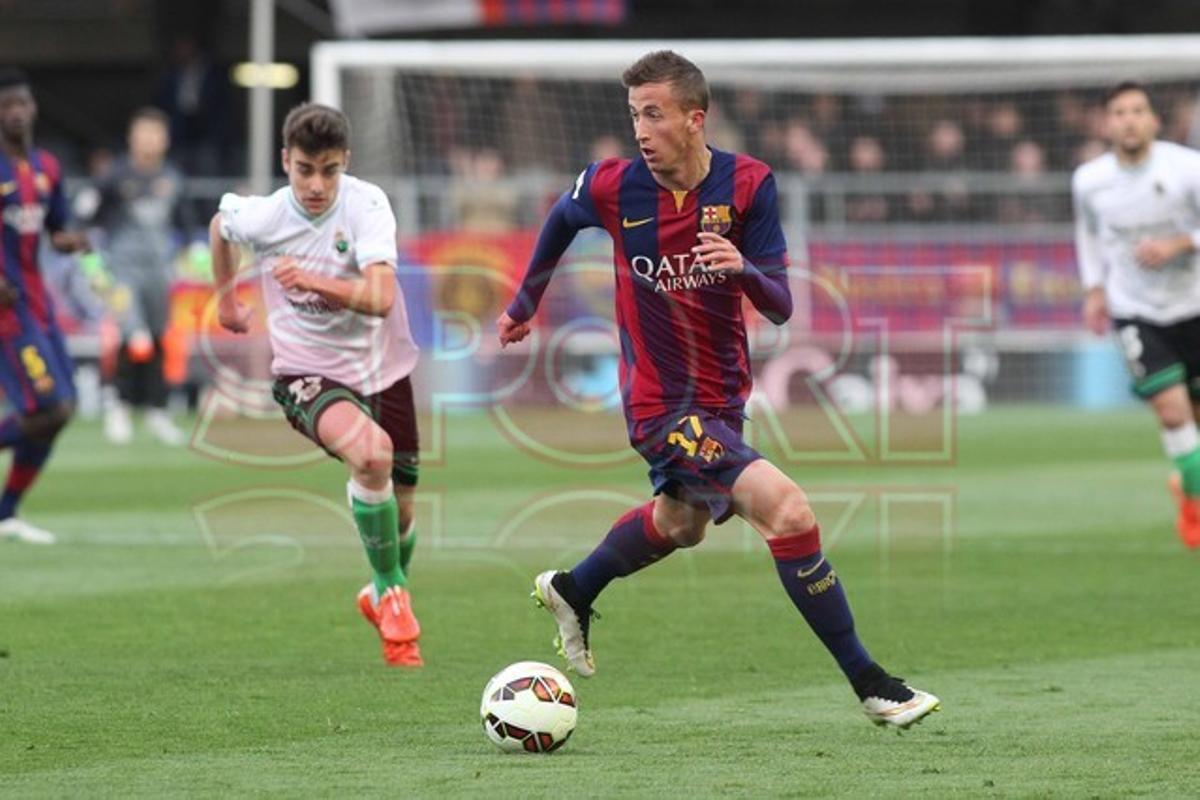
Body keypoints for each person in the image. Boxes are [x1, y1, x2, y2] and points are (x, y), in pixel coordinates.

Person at [497, 51, 940, 729]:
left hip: (722, 397)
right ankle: (873, 684)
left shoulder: (750, 185)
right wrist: (526, 302)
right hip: (657, 403)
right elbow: (561, 218)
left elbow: (783, 304)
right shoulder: (614, 187)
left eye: (653, 113)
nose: (640, 129)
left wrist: (742, 270)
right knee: (789, 512)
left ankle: (572, 587)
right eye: (634, 114)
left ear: (693, 119)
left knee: (682, 525)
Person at [209, 103, 424, 666]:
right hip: (306, 371)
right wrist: (227, 299)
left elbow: (379, 299)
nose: (316, 184)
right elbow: (220, 224)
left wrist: (310, 278)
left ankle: (378, 588)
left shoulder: (367, 205)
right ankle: (396, 602)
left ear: (345, 164)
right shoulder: (264, 217)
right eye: (305, 169)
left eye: (329, 170)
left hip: (385, 370)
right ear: (286, 162)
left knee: (402, 513)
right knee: (371, 455)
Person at [1074, 81, 1200, 549]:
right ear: (1108, 124)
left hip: (1194, 305)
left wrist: (1179, 244)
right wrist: (1094, 289)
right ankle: (1194, 511)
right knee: (1172, 413)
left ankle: (1188, 488)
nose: (1129, 119)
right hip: (1137, 312)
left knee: (1196, 432)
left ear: (1154, 121)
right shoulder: (1089, 180)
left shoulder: (1188, 168)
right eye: (1120, 112)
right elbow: (1086, 235)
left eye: (1137, 110)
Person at [0, 68, 89, 544]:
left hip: (39, 305)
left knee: (64, 410)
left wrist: (70, 239)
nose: (16, 112)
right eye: (7, 105)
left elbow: (55, 228)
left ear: (32, 108)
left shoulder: (46, 168)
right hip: (6, 315)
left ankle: (6, 513)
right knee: (47, 410)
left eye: (22, 103)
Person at [83, 107, 193, 445]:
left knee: (158, 337)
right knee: (135, 335)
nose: (149, 140)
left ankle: (157, 410)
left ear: (165, 139)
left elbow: (185, 224)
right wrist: (93, 267)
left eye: (155, 134)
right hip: (122, 270)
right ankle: (119, 406)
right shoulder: (113, 176)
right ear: (132, 137)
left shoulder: (173, 178)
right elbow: (85, 219)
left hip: (159, 270)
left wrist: (191, 256)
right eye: (143, 133)